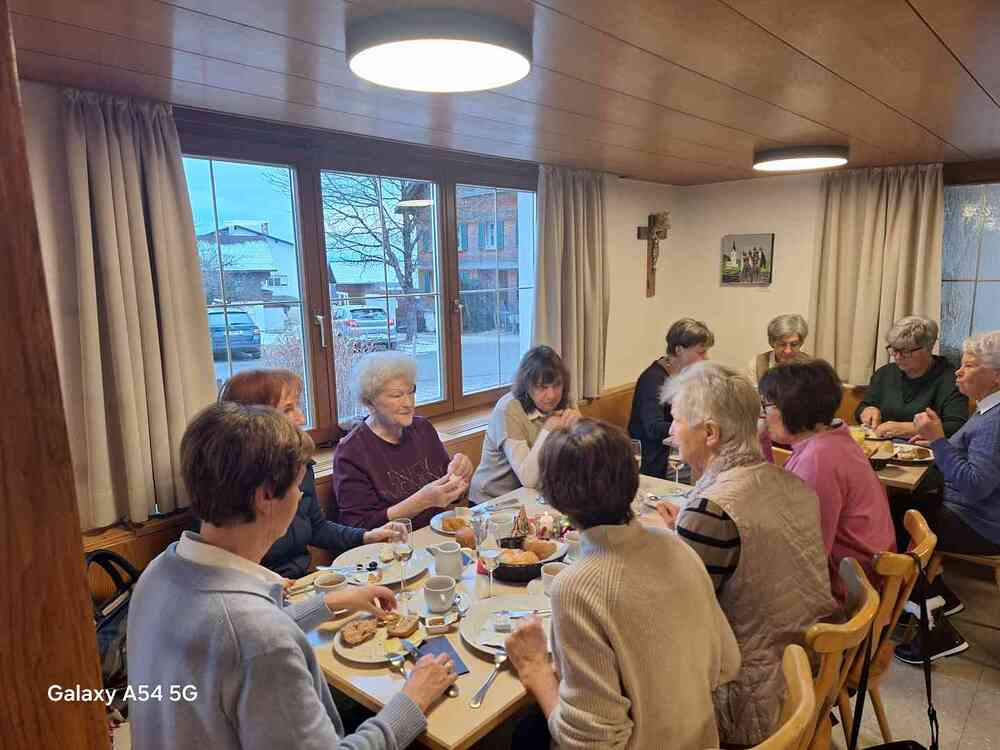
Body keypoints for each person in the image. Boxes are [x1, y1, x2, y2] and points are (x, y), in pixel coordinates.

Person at [127, 402, 456, 749]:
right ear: (266, 496)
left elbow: (232, 639)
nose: (301, 495)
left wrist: (329, 602)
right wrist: (413, 700)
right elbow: (252, 639)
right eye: (298, 485)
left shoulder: (158, 572)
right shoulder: (261, 640)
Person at [503, 419, 740, 750]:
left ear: (555, 500)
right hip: (701, 741)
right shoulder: (676, 545)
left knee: (518, 734)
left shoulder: (577, 586)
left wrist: (535, 669)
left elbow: (589, 745)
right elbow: (727, 664)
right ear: (633, 478)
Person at [654, 362, 835, 746]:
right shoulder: (790, 483)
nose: (671, 431)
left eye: (677, 420)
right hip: (804, 674)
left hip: (749, 698)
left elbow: (672, 617)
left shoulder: (713, 511)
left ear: (710, 433)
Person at [219, 369, 401, 579]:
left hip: (299, 581)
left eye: (298, 406)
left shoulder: (299, 467)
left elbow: (316, 527)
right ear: (252, 420)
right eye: (288, 409)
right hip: (262, 587)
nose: (302, 418)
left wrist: (366, 536)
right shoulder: (229, 484)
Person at [893, 331, 1000, 664]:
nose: (959, 371)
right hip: (972, 512)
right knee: (900, 505)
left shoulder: (995, 422)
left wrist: (939, 441)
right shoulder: (987, 409)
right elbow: (970, 456)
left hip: (982, 524)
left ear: (996, 376)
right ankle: (938, 595)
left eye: (969, 365)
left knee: (896, 522)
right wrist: (938, 443)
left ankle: (935, 629)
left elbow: (975, 485)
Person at [759, 360, 896, 603]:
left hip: (850, 590)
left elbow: (807, 551)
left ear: (793, 408)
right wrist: (762, 441)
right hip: (865, 573)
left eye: (766, 405)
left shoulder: (819, 458)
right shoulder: (834, 435)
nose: (763, 414)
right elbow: (783, 493)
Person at [335, 352, 473, 530]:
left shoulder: (422, 429)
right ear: (369, 402)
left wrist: (461, 475)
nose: (408, 403)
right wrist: (421, 502)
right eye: (396, 395)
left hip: (434, 535)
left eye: (411, 392)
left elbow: (452, 494)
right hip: (392, 544)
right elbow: (358, 527)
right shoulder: (351, 452)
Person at [470, 345, 582, 502]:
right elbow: (528, 479)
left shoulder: (565, 400)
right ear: (527, 386)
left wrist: (581, 427)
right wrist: (547, 430)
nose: (551, 395)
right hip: (492, 500)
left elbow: (583, 460)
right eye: (542, 387)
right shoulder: (509, 408)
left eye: (557, 385)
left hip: (535, 495)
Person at [627, 318, 713, 479]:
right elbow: (653, 427)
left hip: (678, 451)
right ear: (679, 350)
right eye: (701, 352)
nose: (706, 358)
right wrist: (693, 429)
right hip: (656, 461)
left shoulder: (683, 374)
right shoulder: (653, 379)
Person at [856, 316, 968, 438]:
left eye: (905, 351)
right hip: (882, 444)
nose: (897, 357)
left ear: (928, 348)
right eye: (894, 349)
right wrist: (866, 411)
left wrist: (910, 429)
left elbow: (956, 427)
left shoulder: (951, 379)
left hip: (924, 447)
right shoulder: (885, 373)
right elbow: (863, 407)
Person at [748, 313, 811, 382]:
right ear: (772, 342)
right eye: (782, 344)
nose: (788, 351)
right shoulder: (757, 365)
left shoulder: (811, 367)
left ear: (801, 343)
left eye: (794, 344)